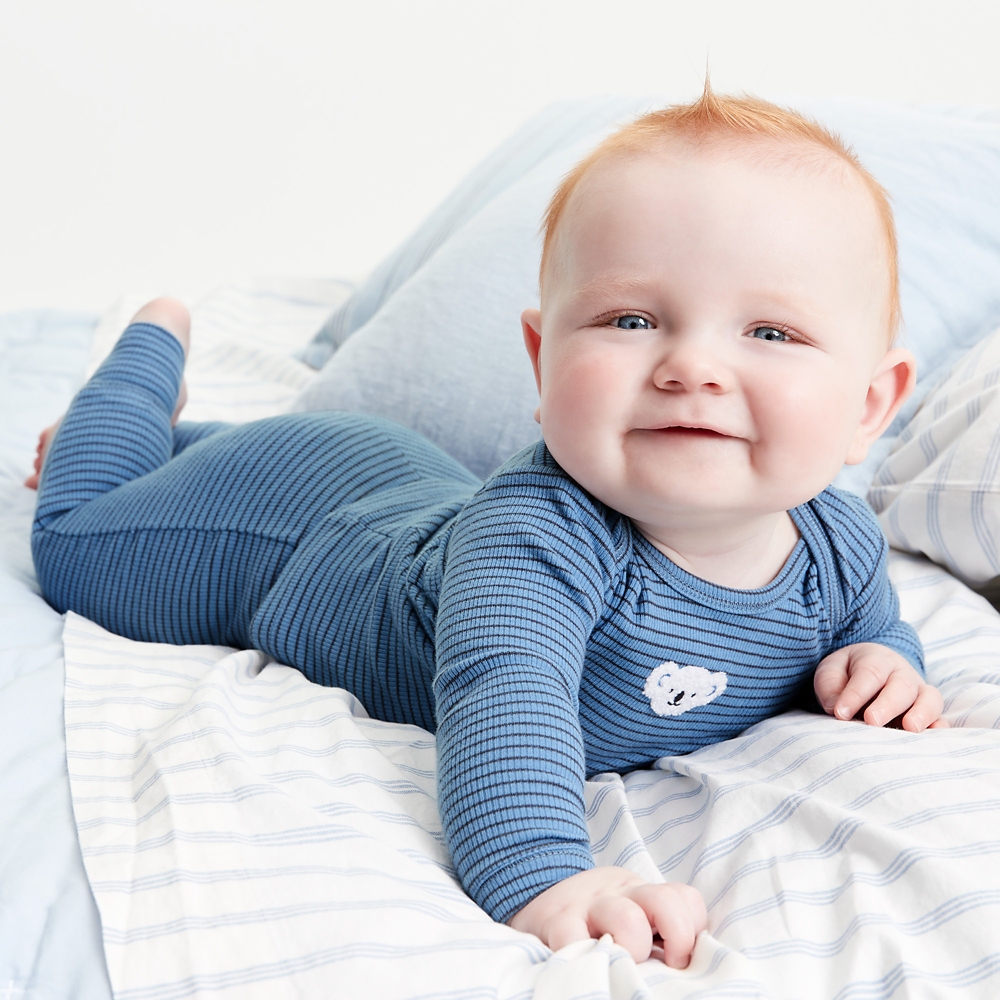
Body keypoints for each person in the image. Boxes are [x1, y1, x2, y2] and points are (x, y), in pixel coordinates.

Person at [28, 85, 948, 970]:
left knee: (205, 466)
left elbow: (864, 623)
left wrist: (885, 657)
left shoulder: (836, 541)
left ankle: (182, 440)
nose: (692, 366)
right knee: (75, 545)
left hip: (407, 481)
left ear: (870, 404)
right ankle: (140, 371)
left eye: (772, 333)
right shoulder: (533, 546)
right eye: (631, 318)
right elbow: (506, 706)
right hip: (298, 532)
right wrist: (548, 881)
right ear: (544, 359)